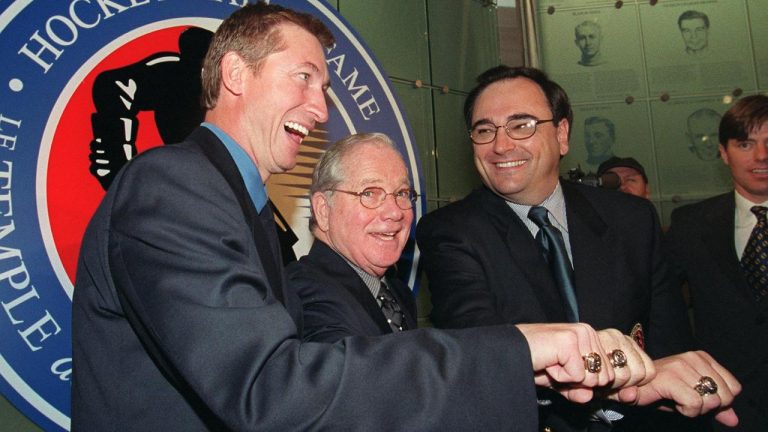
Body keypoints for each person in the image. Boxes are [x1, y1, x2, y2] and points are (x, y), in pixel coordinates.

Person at [71, 4, 642, 431]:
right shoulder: (175, 184)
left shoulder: (240, 208)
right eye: (303, 78)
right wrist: (518, 348)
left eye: (323, 87)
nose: (320, 109)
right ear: (236, 75)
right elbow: (271, 390)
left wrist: (534, 371)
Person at [416, 65, 741, 431]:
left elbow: (670, 346)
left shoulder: (631, 219)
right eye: (484, 130)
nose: (501, 145)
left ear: (563, 134)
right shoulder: (449, 232)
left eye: (521, 124)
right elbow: (488, 352)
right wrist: (632, 383)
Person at [665, 94, 768, 431]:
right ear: (723, 153)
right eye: (745, 144)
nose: (761, 156)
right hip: (727, 410)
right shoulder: (691, 226)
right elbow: (659, 307)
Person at [287, 133, 419, 341]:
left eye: (401, 193)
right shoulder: (302, 291)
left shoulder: (399, 293)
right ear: (323, 210)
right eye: (369, 193)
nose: (395, 212)